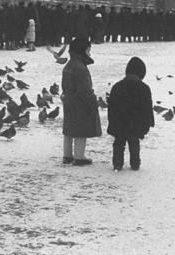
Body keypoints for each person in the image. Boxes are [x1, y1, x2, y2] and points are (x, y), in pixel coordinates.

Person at [107, 56, 154, 171]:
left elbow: (111, 107)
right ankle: (135, 163)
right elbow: (147, 108)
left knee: (118, 144)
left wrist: (111, 122)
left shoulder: (117, 87)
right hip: (136, 124)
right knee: (134, 144)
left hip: (119, 123)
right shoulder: (144, 89)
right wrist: (149, 123)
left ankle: (117, 164)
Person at [61, 37, 101, 166]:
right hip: (80, 103)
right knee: (80, 130)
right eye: (88, 50)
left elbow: (64, 85)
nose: (89, 53)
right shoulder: (80, 68)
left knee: (69, 129)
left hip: (69, 100)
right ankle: (79, 157)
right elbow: (85, 89)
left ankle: (67, 155)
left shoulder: (69, 65)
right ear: (82, 50)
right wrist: (93, 102)